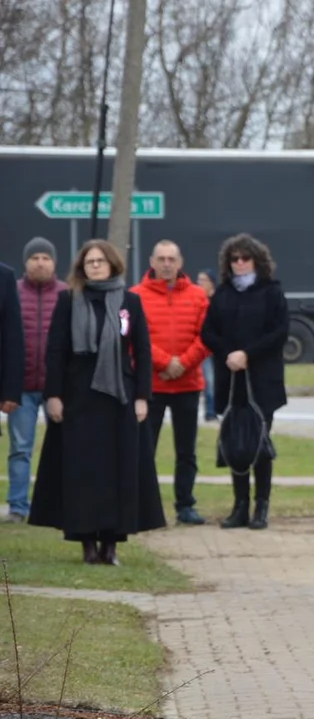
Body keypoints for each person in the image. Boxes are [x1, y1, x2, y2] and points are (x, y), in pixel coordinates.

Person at [28, 240, 165, 565]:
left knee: (118, 471)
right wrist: (54, 395)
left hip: (119, 398)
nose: (94, 266)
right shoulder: (68, 300)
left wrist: (143, 396)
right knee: (83, 472)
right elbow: (56, 351)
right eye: (89, 262)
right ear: (81, 267)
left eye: (100, 261)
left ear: (112, 264)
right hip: (79, 398)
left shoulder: (129, 302)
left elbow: (142, 351)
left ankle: (112, 545)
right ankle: (87, 543)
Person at [201, 233, 288, 531]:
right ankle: (240, 506)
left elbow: (280, 332)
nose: (239, 263)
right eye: (234, 259)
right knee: (235, 445)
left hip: (262, 383)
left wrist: (248, 354)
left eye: (244, 258)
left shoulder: (272, 292)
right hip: (232, 383)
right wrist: (229, 354)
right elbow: (208, 333)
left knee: (259, 445)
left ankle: (261, 506)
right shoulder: (222, 294)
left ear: (256, 260)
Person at [133, 240, 211, 526]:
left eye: (172, 259)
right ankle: (143, 506)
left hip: (188, 386)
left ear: (180, 263)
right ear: (152, 261)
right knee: (145, 449)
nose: (166, 264)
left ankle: (185, 505)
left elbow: (208, 336)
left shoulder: (199, 296)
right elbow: (134, 340)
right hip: (151, 386)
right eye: (161, 258)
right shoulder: (135, 296)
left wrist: (183, 364)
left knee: (187, 451)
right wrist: (166, 363)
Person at [6, 237, 58, 523]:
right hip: (21, 387)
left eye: (46, 257)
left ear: (54, 263)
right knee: (20, 449)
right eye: (35, 257)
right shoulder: (11, 292)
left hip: (56, 389)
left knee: (59, 449)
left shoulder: (65, 294)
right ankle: (17, 506)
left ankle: (54, 504)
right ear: (25, 262)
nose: (40, 262)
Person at [196, 268, 217, 421]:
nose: (199, 284)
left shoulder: (217, 302)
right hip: (203, 348)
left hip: (218, 348)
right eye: (198, 280)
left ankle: (216, 409)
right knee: (207, 381)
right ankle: (210, 412)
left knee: (215, 380)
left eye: (203, 281)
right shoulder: (196, 301)